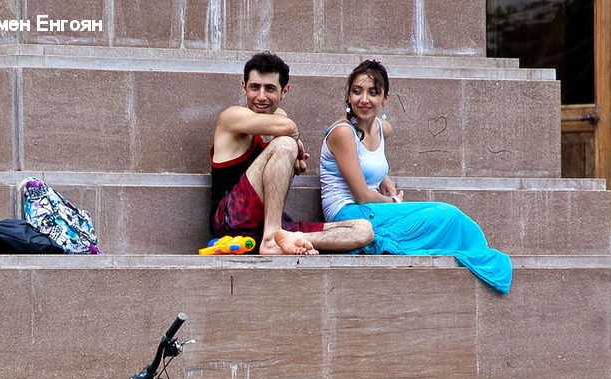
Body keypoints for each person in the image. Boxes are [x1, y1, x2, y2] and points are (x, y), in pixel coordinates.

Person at [319, 59, 512, 293]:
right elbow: (360, 195)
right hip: (348, 212)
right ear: (349, 96)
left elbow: (368, 160)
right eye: (357, 92)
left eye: (373, 93)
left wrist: (384, 178)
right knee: (446, 215)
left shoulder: (382, 128)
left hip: (372, 209)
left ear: (385, 98)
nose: (364, 100)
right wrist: (394, 201)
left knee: (452, 218)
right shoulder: (342, 132)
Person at [210, 51, 374, 255]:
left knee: (364, 230)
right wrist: (294, 144)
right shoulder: (231, 117)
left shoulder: (277, 121)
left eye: (270, 89)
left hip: (268, 227)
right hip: (231, 219)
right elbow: (288, 128)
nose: (261, 96)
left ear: (284, 91)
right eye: (254, 87)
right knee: (286, 143)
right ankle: (271, 240)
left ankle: (292, 240)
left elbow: (284, 123)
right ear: (244, 87)